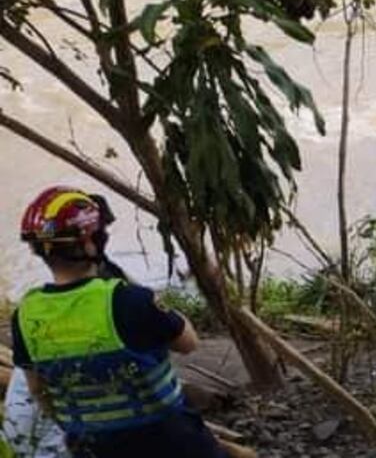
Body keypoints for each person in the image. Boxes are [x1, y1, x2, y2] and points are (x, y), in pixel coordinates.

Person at [10, 187, 226, 458]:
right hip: (174, 443)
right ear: (90, 242)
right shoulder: (128, 301)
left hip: (91, 448)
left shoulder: (25, 315)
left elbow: (38, 390)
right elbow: (189, 343)